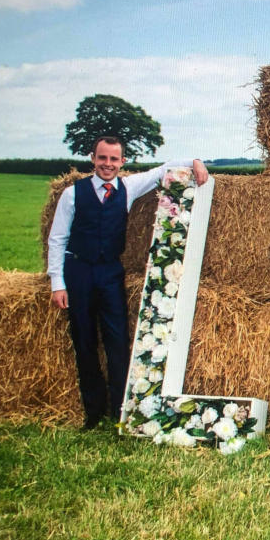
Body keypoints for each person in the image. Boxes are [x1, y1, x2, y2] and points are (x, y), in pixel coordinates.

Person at [47, 135, 208, 430]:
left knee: (118, 340)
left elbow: (162, 170)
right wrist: (58, 282)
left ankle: (120, 411)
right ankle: (93, 413)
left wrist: (195, 161)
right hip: (78, 270)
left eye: (113, 159)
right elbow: (57, 239)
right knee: (84, 341)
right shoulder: (72, 194)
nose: (107, 164)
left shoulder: (128, 187)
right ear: (93, 159)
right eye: (102, 158)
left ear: (122, 162)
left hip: (110, 272)